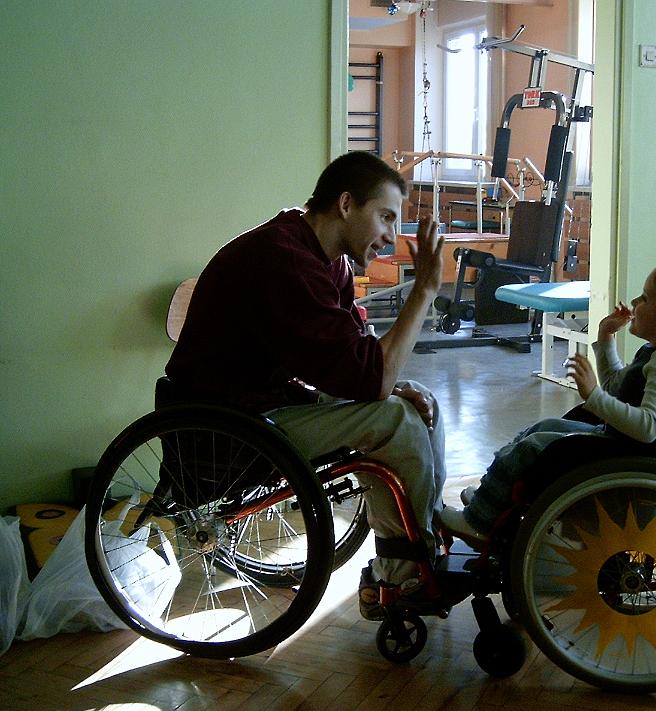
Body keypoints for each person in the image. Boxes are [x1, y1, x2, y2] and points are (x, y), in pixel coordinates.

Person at [164, 151, 446, 620]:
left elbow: (355, 362)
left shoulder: (327, 260)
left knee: (418, 400)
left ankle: (424, 534)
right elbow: (370, 377)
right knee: (395, 419)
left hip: (268, 404)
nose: (391, 236)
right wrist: (424, 292)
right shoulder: (284, 258)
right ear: (346, 204)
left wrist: (393, 386)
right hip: (229, 426)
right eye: (385, 217)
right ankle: (402, 575)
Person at [440, 260, 656, 548]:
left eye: (644, 298)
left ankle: (478, 522)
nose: (635, 302)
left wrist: (594, 396)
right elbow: (616, 388)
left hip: (628, 455)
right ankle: (492, 498)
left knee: (533, 447)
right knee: (543, 428)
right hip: (624, 445)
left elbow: (648, 428)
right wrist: (605, 337)